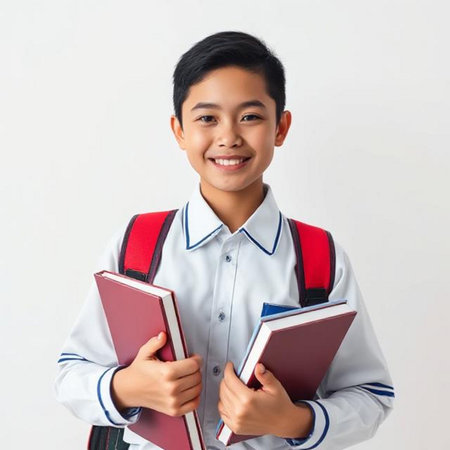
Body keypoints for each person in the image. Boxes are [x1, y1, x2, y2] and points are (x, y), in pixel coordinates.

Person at [55, 31, 395, 449]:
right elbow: (72, 373)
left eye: (250, 116)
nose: (229, 136)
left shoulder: (319, 259)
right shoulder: (138, 243)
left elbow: (371, 396)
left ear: (281, 127)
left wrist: (294, 420)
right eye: (207, 118)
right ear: (179, 130)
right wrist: (127, 388)